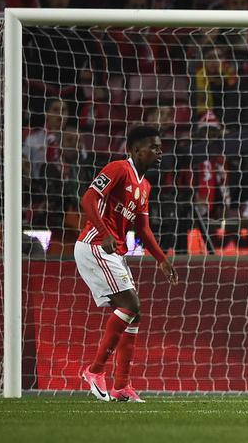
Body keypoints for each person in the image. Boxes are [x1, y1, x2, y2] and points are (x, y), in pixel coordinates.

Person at [77, 126, 180, 403]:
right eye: (153, 147)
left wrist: (162, 260)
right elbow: (88, 198)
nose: (159, 152)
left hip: (114, 251)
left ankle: (121, 385)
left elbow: (144, 229)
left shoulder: (145, 186)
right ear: (135, 149)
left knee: (134, 314)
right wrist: (104, 232)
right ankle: (94, 371)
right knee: (131, 305)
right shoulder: (118, 168)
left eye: (160, 147)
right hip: (94, 245)